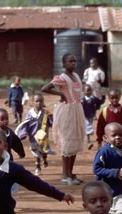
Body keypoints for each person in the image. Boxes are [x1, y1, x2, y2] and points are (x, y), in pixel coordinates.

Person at [41, 53, 86, 185]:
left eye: (75, 61)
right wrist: (60, 93)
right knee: (67, 142)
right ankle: (65, 175)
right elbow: (45, 88)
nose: (73, 63)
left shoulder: (76, 76)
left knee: (75, 142)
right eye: (70, 61)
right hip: (67, 112)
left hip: (77, 110)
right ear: (64, 64)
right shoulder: (62, 78)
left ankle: (71, 173)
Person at [16, 94, 54, 176]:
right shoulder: (30, 113)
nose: (39, 103)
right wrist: (23, 133)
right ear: (33, 102)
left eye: (41, 101)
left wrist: (51, 117)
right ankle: (37, 166)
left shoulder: (45, 112)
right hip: (33, 137)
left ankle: (44, 159)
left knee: (44, 150)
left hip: (44, 137)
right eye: (37, 101)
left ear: (43, 102)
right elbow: (25, 124)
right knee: (36, 152)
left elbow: (51, 124)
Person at [80, 84, 105, 150]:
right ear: (83, 92)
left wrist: (103, 97)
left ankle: (87, 141)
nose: (89, 92)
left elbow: (100, 102)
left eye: (90, 90)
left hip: (91, 116)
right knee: (88, 126)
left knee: (87, 127)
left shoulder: (93, 98)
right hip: (84, 116)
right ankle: (88, 142)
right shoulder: (82, 99)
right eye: (87, 90)